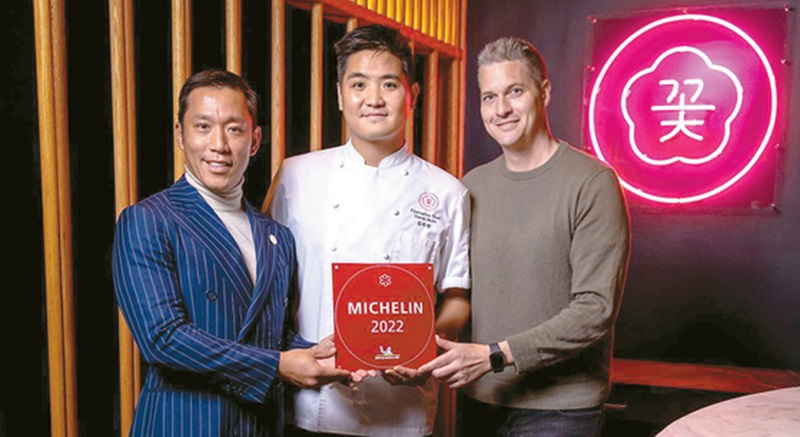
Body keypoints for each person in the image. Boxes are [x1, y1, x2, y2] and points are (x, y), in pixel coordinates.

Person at [112, 69, 352, 436]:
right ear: (180, 135)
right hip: (183, 423)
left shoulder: (276, 235)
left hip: (256, 425)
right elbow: (163, 339)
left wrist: (322, 352)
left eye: (234, 129)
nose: (219, 145)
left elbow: (271, 335)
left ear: (254, 140)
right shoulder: (149, 220)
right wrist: (277, 365)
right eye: (203, 127)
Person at [264, 24, 471, 437]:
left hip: (403, 411)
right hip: (311, 407)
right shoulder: (295, 175)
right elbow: (268, 284)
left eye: (389, 84)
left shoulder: (447, 192)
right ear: (340, 96)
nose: (374, 99)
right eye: (358, 84)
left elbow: (457, 296)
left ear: (412, 95)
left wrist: (426, 347)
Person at [418, 37, 631, 436]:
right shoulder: (472, 186)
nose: (501, 109)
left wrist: (497, 356)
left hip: (561, 412)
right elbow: (456, 291)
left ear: (544, 93)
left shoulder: (592, 183)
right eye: (489, 97)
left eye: (515, 91)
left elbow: (595, 310)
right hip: (480, 401)